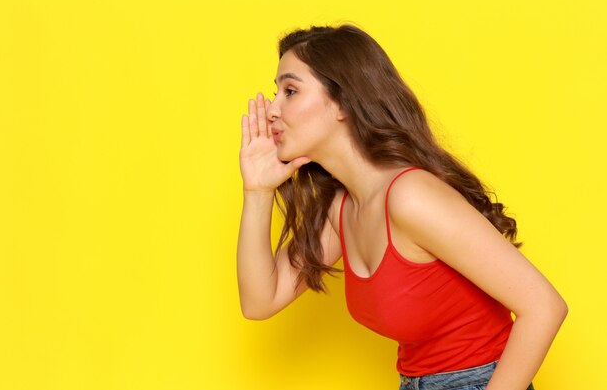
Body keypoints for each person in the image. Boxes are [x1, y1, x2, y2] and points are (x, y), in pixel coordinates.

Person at [237, 24, 567, 390]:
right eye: (276, 92)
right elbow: (259, 301)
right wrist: (257, 190)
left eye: (291, 91)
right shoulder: (341, 208)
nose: (271, 110)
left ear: (344, 103)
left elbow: (544, 306)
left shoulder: (410, 196)